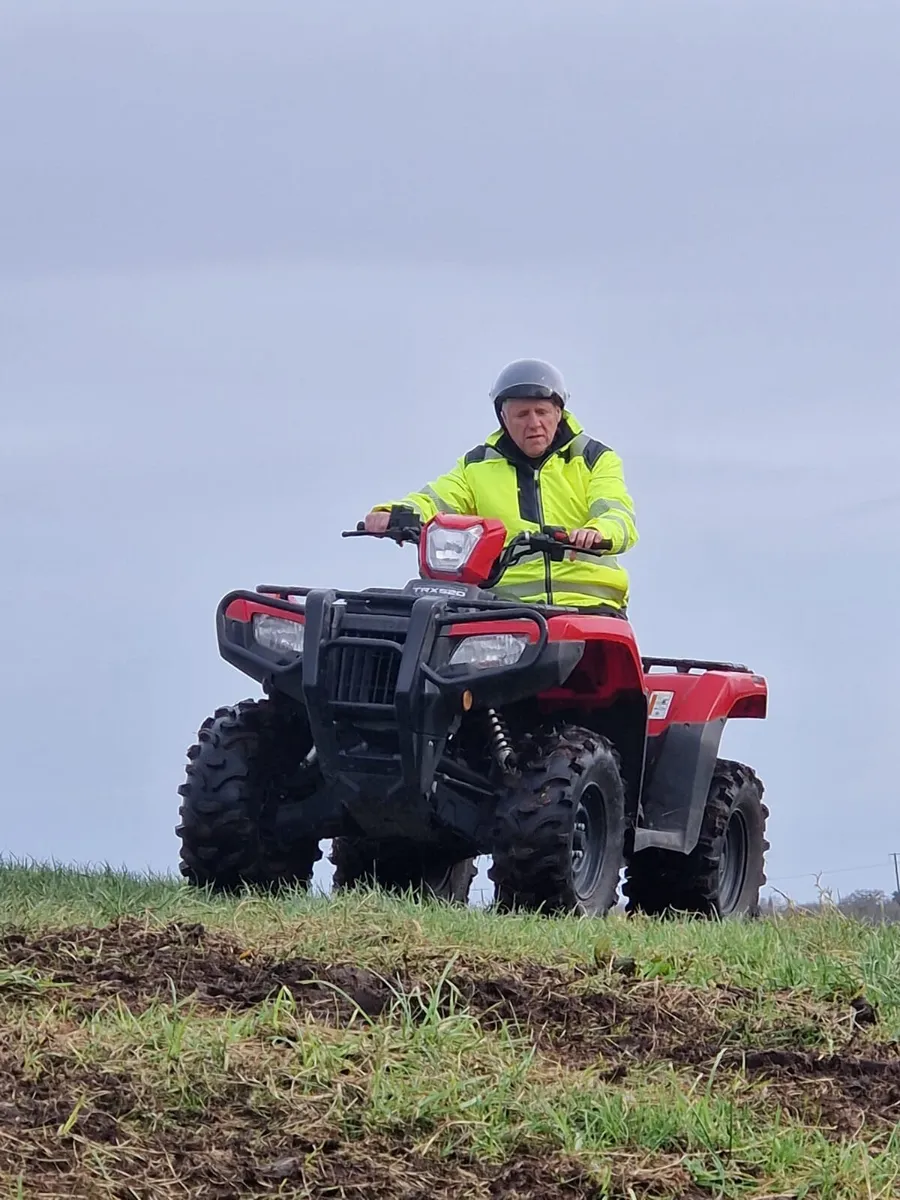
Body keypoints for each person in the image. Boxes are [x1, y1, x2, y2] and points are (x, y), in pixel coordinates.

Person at [362, 358, 638, 613]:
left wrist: (597, 531)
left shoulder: (594, 458)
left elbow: (617, 515)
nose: (534, 423)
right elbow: (436, 499)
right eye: (521, 415)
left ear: (559, 412)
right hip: (504, 608)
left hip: (589, 606)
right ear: (503, 419)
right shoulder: (477, 465)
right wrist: (392, 513)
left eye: (542, 412)